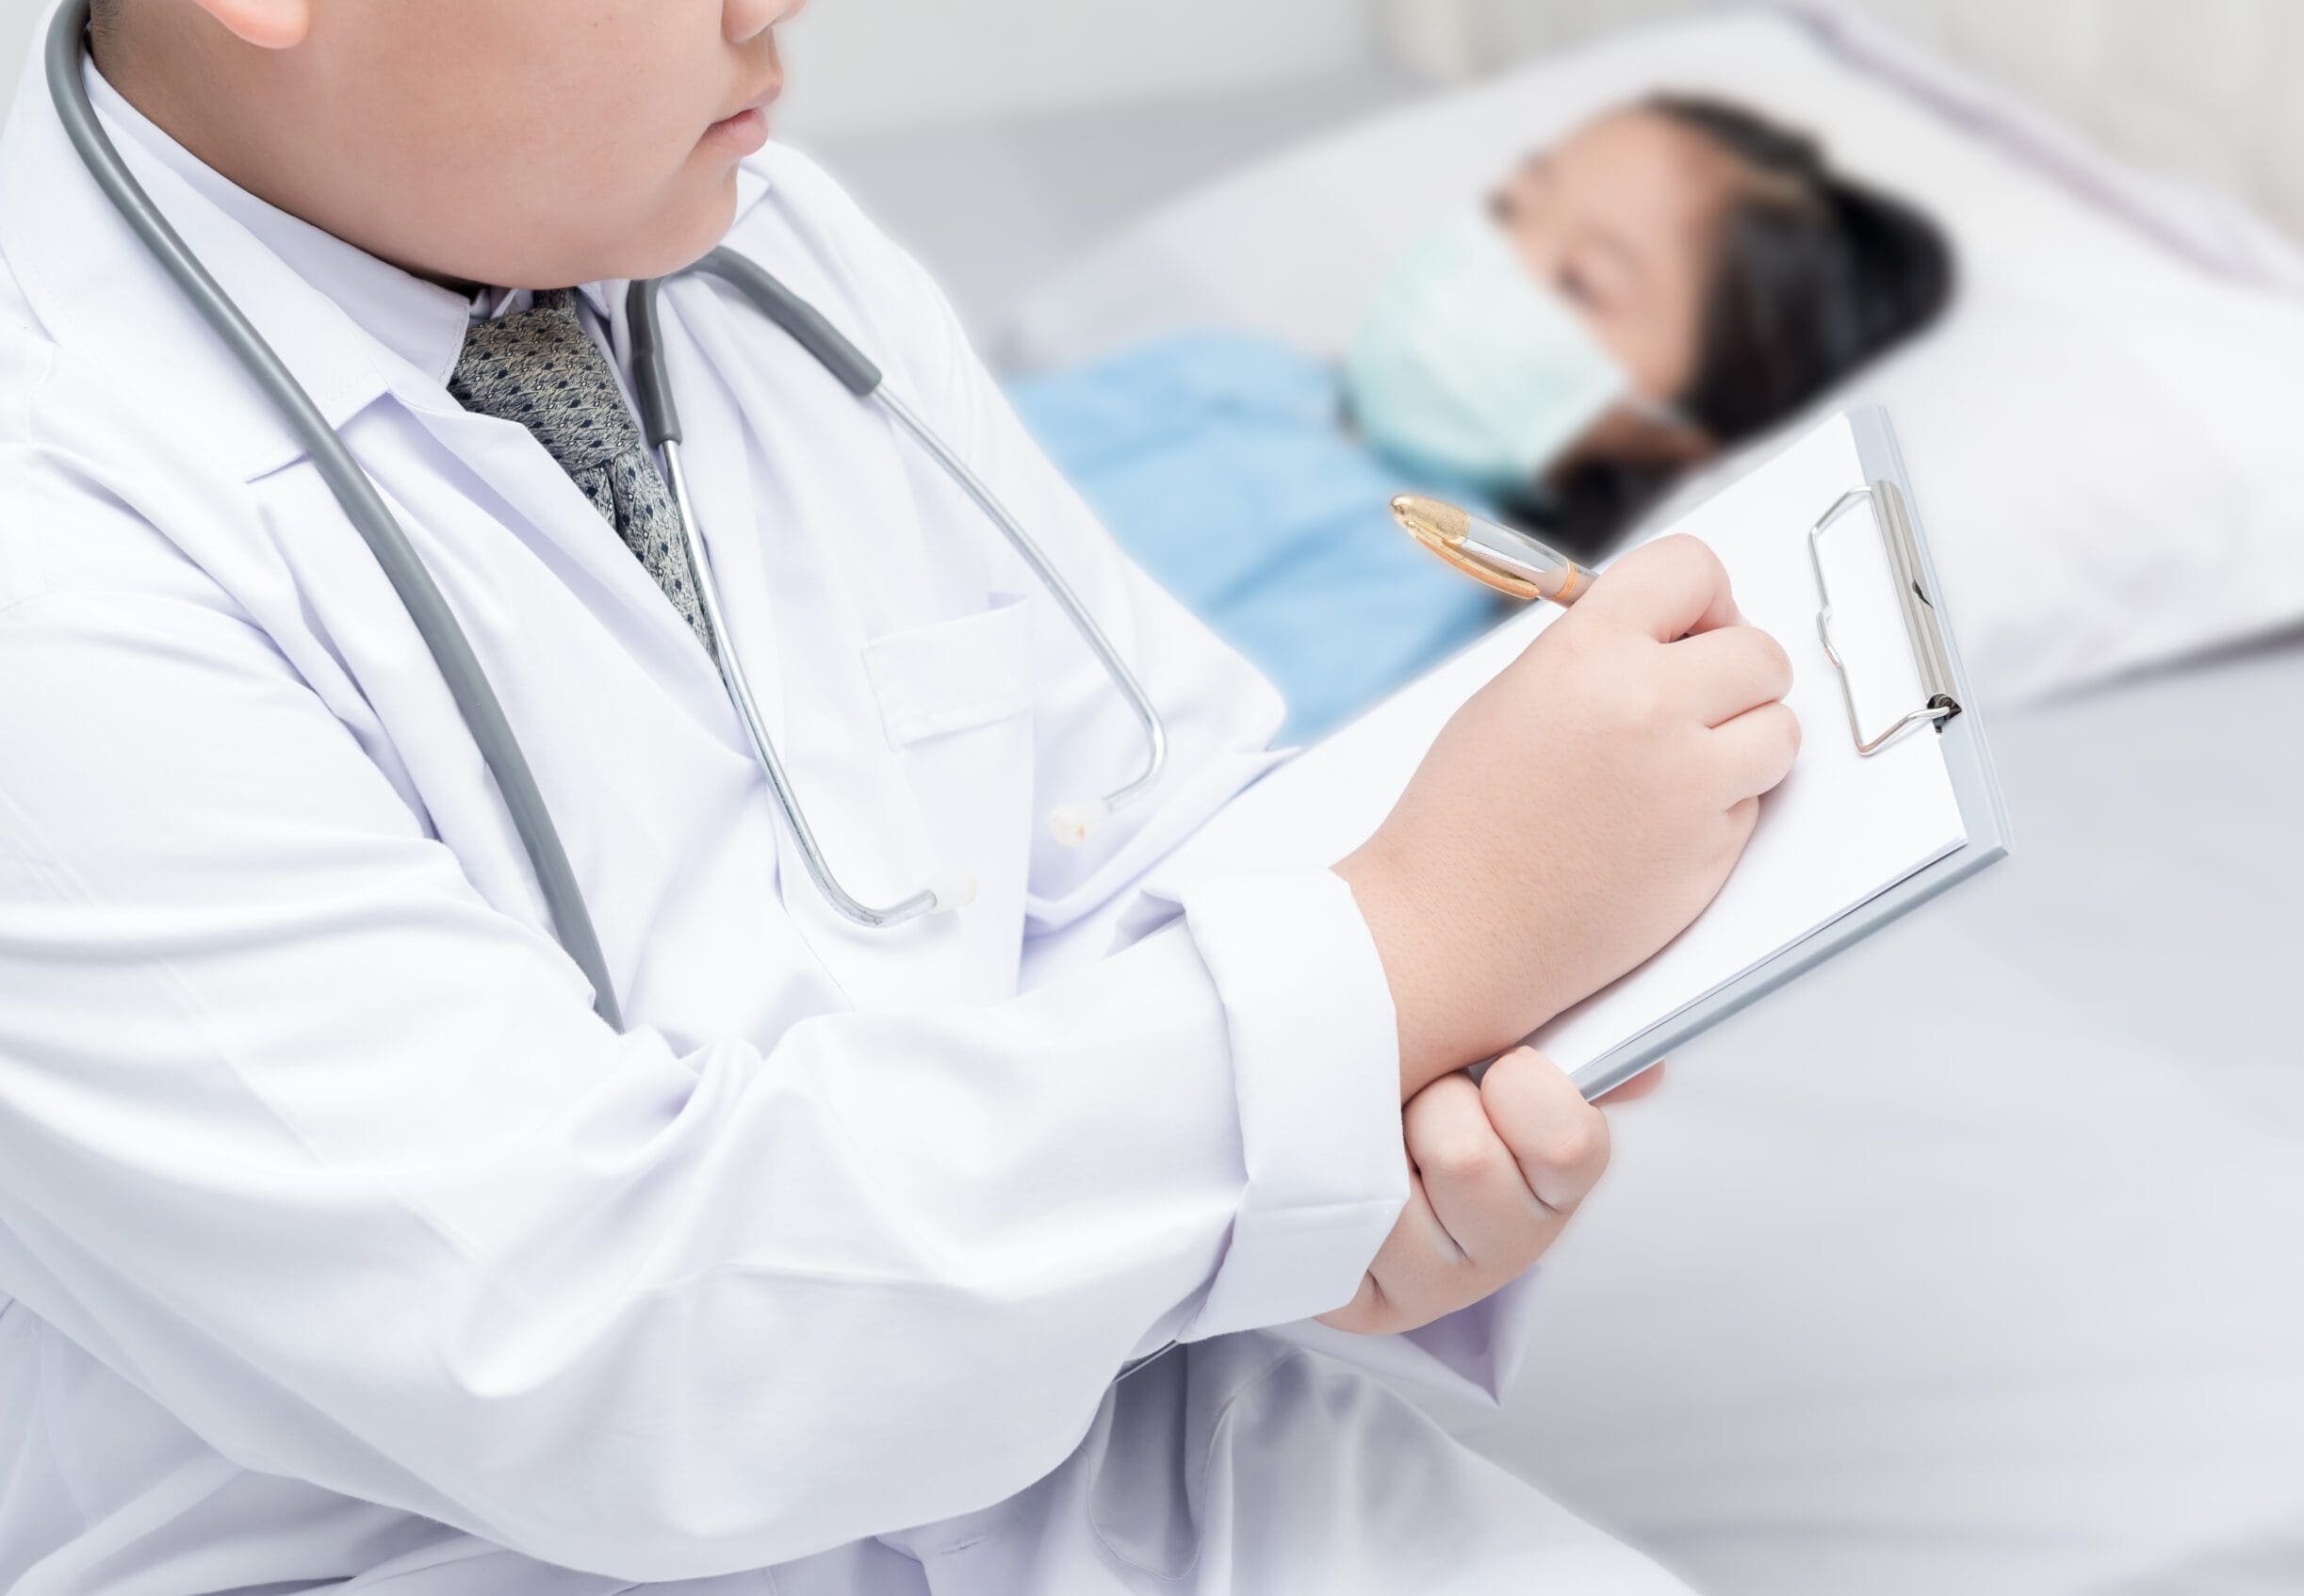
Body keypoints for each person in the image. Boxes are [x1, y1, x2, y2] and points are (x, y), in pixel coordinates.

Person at [0, 4, 1801, 1595]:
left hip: (1111, 1463)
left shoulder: (751, 235)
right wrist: (1414, 943)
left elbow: (1133, 830)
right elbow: (605, 1359)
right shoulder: (55, 535)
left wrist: (1366, 1160)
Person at [1010, 95, 1952, 739]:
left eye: (1579, 282)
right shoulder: (1226, 370)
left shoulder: (1433, 592)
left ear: (1666, 429)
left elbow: (1166, 759)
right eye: (1509, 212)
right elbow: (955, 445)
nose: (1489, 269)